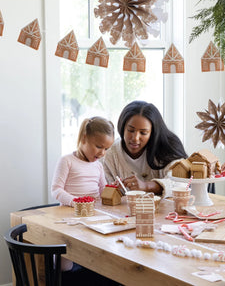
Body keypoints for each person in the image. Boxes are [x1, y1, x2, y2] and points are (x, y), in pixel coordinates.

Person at [51, 116, 115, 275]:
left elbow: (102, 191)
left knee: (97, 259)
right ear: (84, 138)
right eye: (99, 146)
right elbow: (56, 190)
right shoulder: (67, 161)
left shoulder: (98, 167)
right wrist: (76, 202)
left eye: (106, 149)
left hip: (93, 218)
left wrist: (114, 190)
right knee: (64, 267)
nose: (102, 153)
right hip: (70, 218)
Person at [103, 100, 187, 197]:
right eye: (130, 130)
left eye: (143, 133)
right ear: (122, 127)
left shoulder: (167, 147)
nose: (135, 138)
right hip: (125, 211)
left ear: (152, 133)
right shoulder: (111, 153)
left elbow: (182, 182)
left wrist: (147, 186)